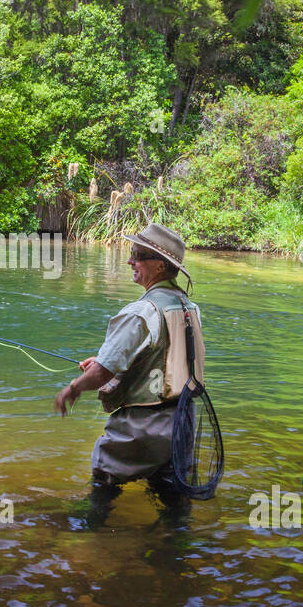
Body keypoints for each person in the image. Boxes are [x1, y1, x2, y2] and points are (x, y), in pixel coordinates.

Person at [53, 223, 204, 525]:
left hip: (145, 424)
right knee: (172, 497)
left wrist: (73, 388)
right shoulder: (189, 307)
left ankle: (87, 531)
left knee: (105, 474)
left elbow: (102, 374)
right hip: (183, 420)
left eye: (137, 255)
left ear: (159, 265)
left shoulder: (142, 311)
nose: (129, 261)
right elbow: (169, 359)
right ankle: (177, 553)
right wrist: (106, 361)